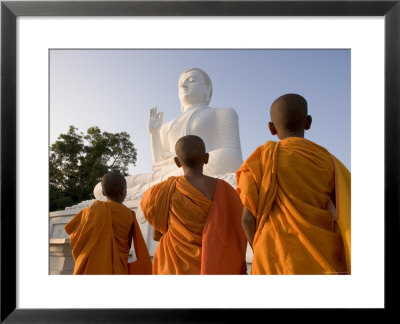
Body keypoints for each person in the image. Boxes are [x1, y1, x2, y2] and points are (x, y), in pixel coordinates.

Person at [236, 94, 351, 275]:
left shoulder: (260, 160)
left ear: (271, 128)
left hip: (271, 256)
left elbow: (247, 219)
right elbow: (343, 210)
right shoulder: (328, 161)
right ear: (308, 122)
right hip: (322, 255)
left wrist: (258, 248)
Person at [93, 67, 243, 199]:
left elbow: (233, 156)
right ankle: (168, 179)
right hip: (169, 173)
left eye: (191, 80)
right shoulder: (168, 126)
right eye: (180, 85)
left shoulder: (223, 113)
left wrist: (194, 161)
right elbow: (158, 164)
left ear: (207, 88)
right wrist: (154, 133)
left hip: (206, 166)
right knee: (101, 188)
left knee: (227, 159)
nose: (184, 86)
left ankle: (175, 178)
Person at [140, 135, 247, 274]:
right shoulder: (226, 190)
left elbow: (157, 235)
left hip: (175, 266)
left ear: (177, 162)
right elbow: (238, 230)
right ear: (207, 158)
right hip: (217, 262)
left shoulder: (164, 190)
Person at [65, 172, 151, 274]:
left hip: (90, 267)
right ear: (123, 192)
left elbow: (75, 237)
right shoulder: (128, 215)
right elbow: (127, 245)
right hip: (116, 267)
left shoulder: (89, 212)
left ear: (103, 192)